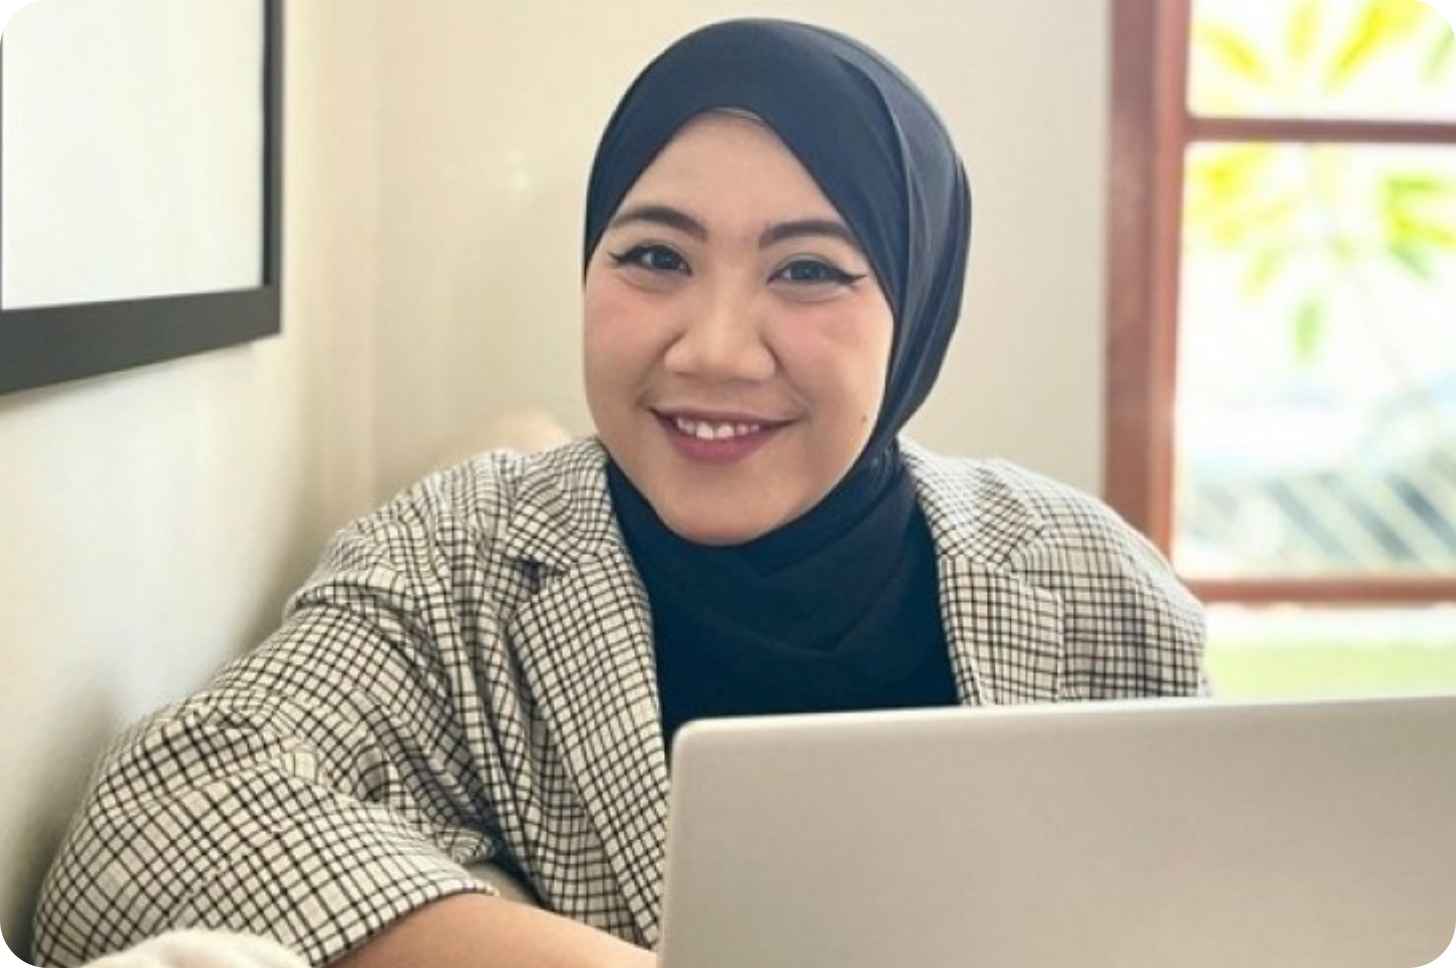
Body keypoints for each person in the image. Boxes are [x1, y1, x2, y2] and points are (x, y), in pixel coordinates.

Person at [33, 18, 1206, 968]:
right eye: (655, 256)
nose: (715, 348)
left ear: (916, 306)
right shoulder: (459, 554)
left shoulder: (1088, 580)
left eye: (809, 269)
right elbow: (143, 831)